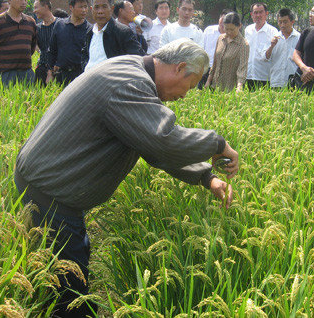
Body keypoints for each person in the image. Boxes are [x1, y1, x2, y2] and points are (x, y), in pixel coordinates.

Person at [15, 39, 239, 317]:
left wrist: (207, 177)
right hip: (49, 190)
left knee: (70, 267)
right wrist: (219, 144)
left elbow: (150, 144)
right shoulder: (128, 83)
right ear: (179, 68)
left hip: (51, 185)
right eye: (190, 86)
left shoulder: (131, 71)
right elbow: (162, 140)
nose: (185, 95)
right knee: (69, 290)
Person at [82, 0, 144, 71]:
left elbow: (138, 58)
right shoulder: (90, 32)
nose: (100, 11)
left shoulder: (122, 32)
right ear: (91, 9)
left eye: (104, 7)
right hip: (91, 80)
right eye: (96, 7)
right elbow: (85, 55)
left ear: (112, 9)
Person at [47, 0, 90, 86]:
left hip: (81, 75)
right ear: (71, 7)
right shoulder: (59, 25)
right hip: (61, 75)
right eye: (80, 7)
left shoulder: (90, 30)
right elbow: (52, 50)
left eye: (85, 7)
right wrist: (50, 73)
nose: (84, 10)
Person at [205, 12, 249, 92]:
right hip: (215, 86)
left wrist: (239, 87)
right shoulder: (220, 38)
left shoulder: (243, 44)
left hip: (230, 88)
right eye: (226, 29)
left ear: (239, 26)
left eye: (232, 29)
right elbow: (215, 63)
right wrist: (208, 81)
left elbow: (242, 68)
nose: (229, 32)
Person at [244, 3, 278, 90]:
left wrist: (271, 46)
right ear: (251, 15)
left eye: (261, 12)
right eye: (255, 13)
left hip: (264, 77)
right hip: (248, 75)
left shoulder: (273, 31)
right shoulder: (248, 30)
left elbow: (273, 55)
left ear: (266, 14)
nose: (258, 15)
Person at [264, 8, 300, 88]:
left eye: (285, 22)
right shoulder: (273, 38)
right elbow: (266, 58)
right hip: (276, 82)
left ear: (292, 22)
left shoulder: (299, 38)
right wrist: (271, 46)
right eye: (280, 22)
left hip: (293, 82)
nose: (282, 25)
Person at [200, 9, 228, 88]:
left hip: (221, 71)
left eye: (226, 21)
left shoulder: (231, 35)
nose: (223, 23)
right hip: (206, 68)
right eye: (222, 19)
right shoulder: (209, 30)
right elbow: (202, 48)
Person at [33, 0, 57, 86]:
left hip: (57, 70)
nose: (34, 11)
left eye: (36, 7)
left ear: (46, 6)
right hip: (41, 69)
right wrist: (40, 52)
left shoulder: (60, 25)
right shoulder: (37, 28)